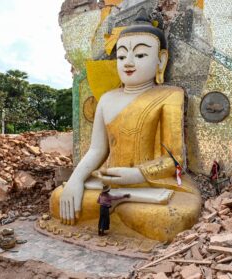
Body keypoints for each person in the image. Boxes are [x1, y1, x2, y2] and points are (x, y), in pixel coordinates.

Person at [49, 11, 201, 242]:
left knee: (172, 216)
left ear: (161, 60)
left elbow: (175, 159)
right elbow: (97, 150)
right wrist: (76, 180)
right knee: (60, 198)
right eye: (121, 57)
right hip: (110, 182)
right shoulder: (107, 99)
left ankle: (119, 211)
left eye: (140, 55)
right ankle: (117, 210)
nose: (128, 63)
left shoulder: (170, 95)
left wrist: (137, 174)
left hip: (152, 183)